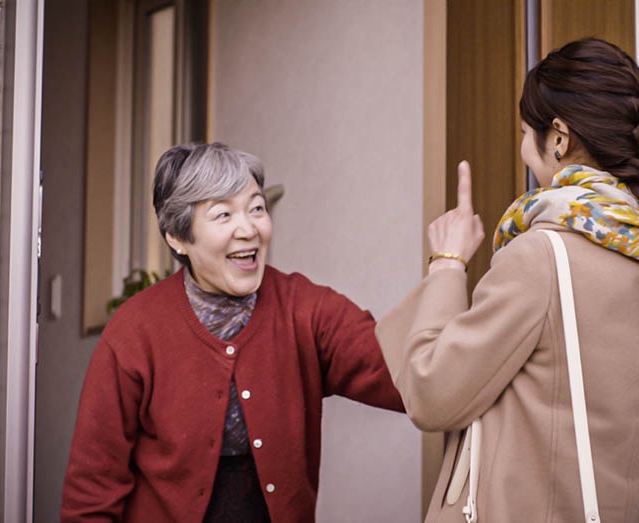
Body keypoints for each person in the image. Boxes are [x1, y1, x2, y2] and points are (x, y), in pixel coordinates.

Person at [376, 38, 639, 522]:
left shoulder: (541, 257)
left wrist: (448, 262)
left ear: (558, 137)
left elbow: (431, 394)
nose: (523, 146)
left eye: (524, 131)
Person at [60, 142, 404, 522]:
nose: (248, 229)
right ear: (177, 237)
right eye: (223, 215)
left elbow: (409, 373)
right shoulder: (134, 332)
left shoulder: (305, 310)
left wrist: (447, 271)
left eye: (256, 209)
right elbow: (91, 494)